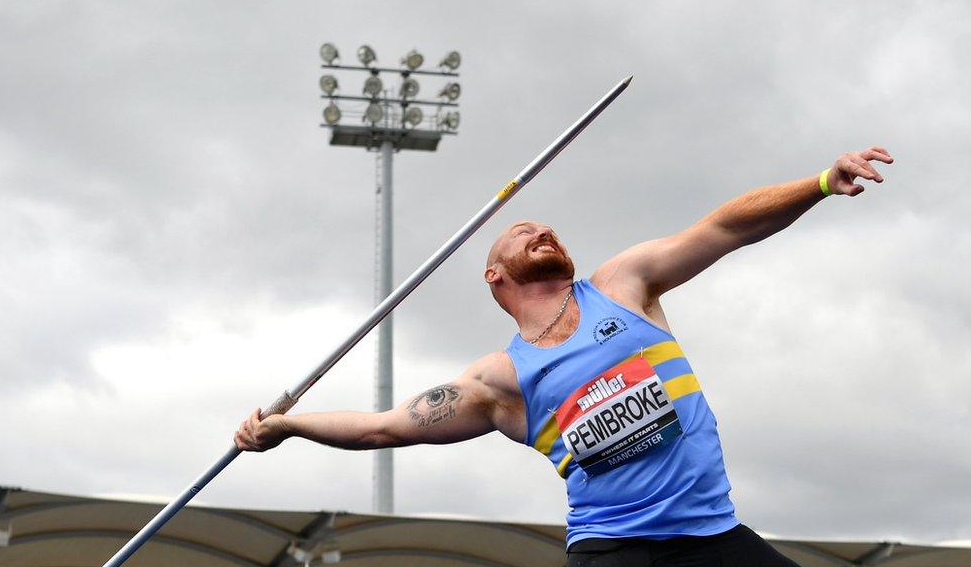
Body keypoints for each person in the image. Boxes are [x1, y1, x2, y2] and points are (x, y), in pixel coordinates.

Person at [235, 147, 894, 566]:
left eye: (547, 227)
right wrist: (287, 425)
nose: (542, 228)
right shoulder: (501, 380)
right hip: (615, 551)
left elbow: (724, 229)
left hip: (712, 536)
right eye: (523, 232)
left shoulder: (623, 285)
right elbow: (382, 426)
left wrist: (818, 183)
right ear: (495, 276)